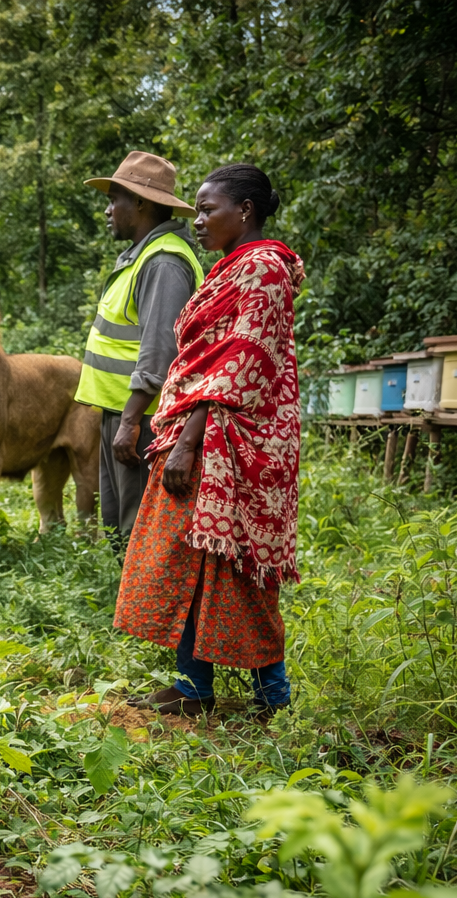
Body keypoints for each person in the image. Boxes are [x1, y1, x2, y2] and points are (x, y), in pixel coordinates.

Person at [117, 164, 302, 717]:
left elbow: (243, 360)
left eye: (206, 209)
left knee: (237, 566)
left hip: (235, 439)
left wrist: (187, 442)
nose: (196, 221)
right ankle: (193, 686)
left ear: (244, 211)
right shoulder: (228, 268)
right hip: (198, 430)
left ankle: (275, 697)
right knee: (187, 559)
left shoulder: (265, 269)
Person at [76, 151, 204, 551]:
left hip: (144, 418)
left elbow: (159, 351)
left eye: (115, 200)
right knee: (118, 528)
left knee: (140, 535)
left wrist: (131, 421)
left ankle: (152, 614)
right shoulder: (141, 255)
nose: (108, 210)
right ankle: (131, 613)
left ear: (143, 203)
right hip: (122, 412)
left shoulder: (164, 261)